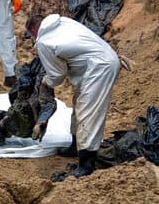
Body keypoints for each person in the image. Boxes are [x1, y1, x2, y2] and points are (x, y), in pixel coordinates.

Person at [25, 13, 121, 178]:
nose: (32, 39)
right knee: (79, 104)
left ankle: (86, 164)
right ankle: (75, 146)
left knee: (87, 113)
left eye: (31, 36)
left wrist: (46, 83)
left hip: (100, 67)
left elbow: (58, 75)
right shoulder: (63, 22)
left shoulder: (43, 41)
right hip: (98, 61)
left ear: (34, 30)